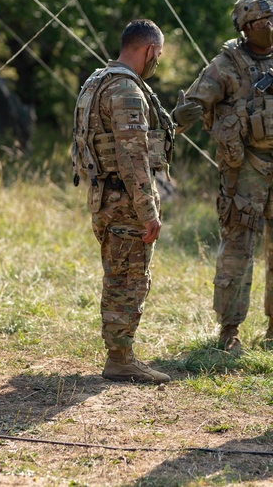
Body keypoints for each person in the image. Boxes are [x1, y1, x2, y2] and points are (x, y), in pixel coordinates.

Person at [172, 0, 273, 353]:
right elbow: (195, 103)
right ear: (245, 27)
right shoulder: (226, 65)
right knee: (238, 249)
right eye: (262, 22)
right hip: (246, 171)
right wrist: (177, 122)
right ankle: (229, 331)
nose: (271, 27)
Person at [71, 19, 174, 384]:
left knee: (117, 274)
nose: (156, 61)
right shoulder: (127, 91)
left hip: (102, 196)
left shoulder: (96, 81)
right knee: (129, 278)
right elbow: (134, 156)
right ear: (148, 50)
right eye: (157, 54)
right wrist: (149, 211)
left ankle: (120, 353)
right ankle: (120, 358)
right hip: (125, 200)